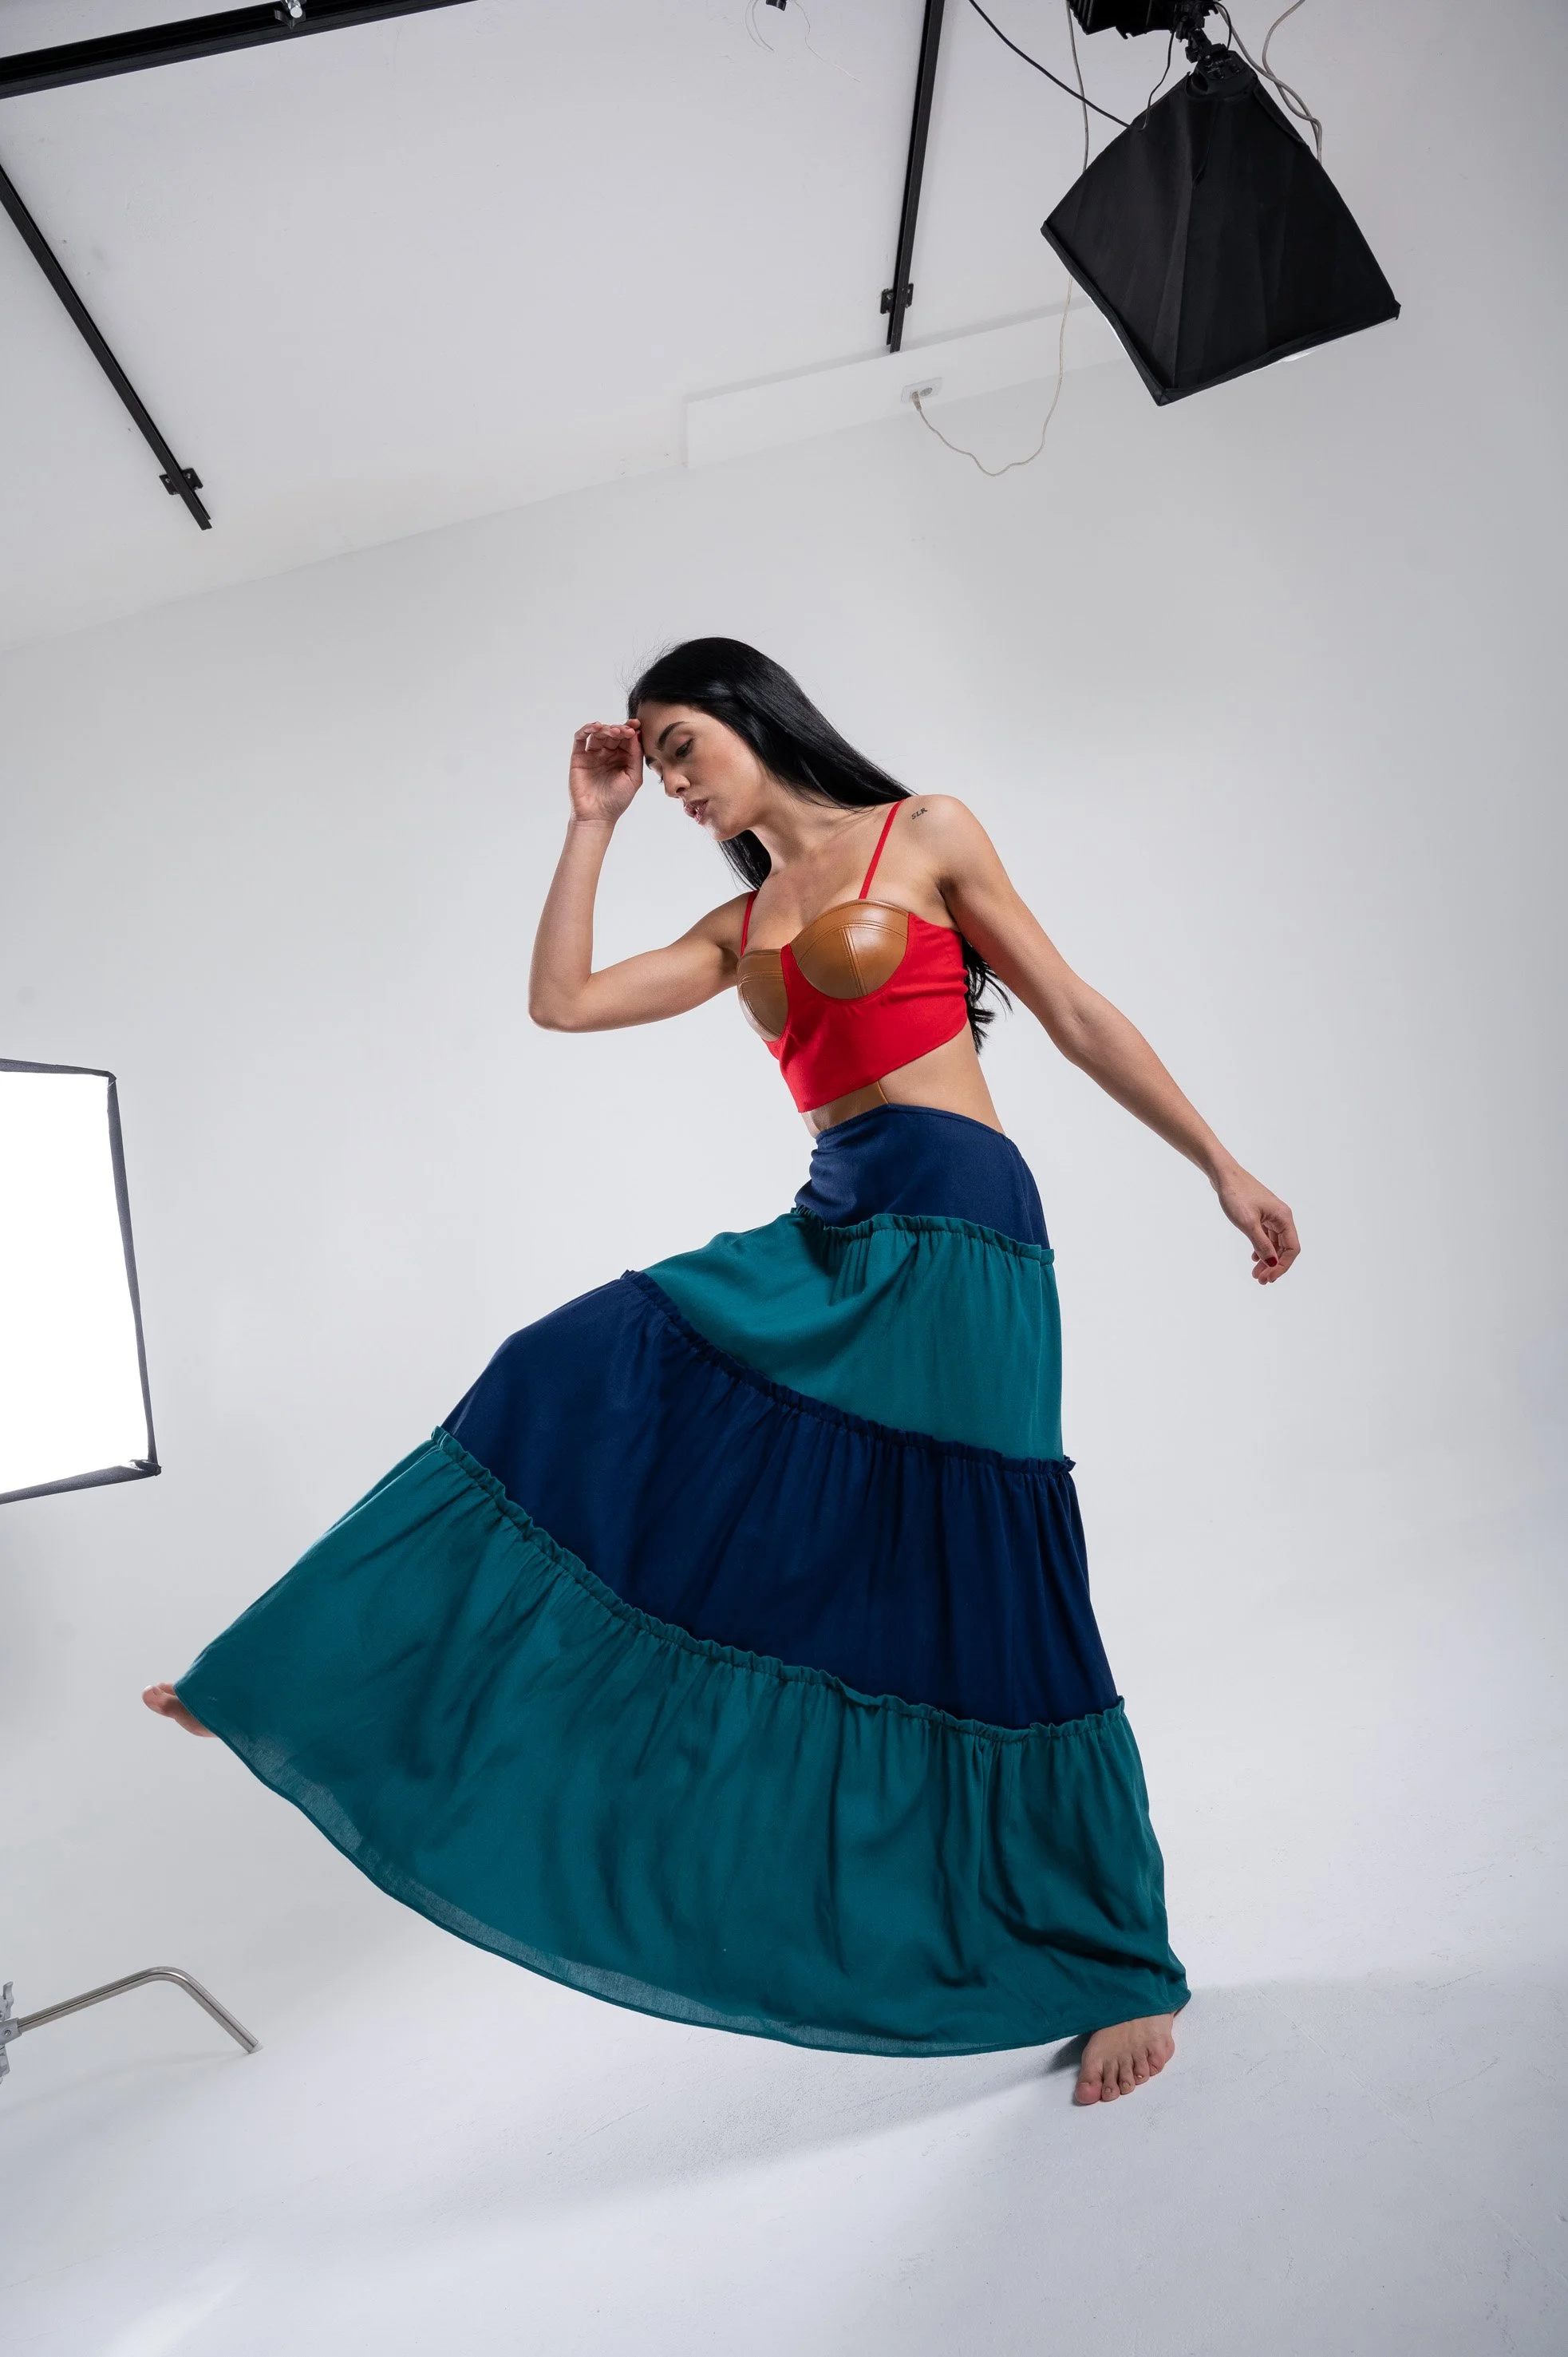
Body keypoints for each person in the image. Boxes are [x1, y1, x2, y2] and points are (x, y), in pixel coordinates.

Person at [146, 638, 1298, 2106]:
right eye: (658, 761)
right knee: (561, 1368)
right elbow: (562, 1003)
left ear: (755, 715)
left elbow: (1070, 1010)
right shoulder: (736, 923)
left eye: (682, 746)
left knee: (991, 1572)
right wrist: (592, 822)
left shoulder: (924, 832)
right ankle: (288, 1671)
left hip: (961, 1228)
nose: (676, 781)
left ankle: (1121, 1955)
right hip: (837, 1220)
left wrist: (1221, 1165)